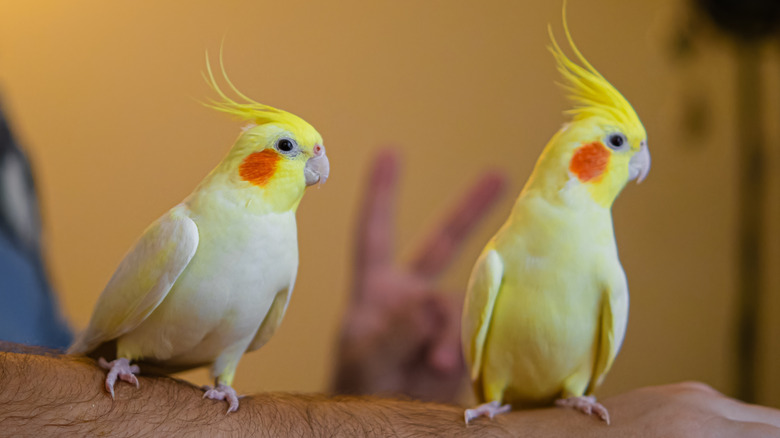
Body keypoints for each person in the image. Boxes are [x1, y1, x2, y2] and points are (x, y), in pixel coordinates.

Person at [1, 127, 779, 435]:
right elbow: (76, 387)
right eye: (296, 148)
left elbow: (76, 402)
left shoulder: (13, 166)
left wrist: (359, 391)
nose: (315, 163)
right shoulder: (182, 230)